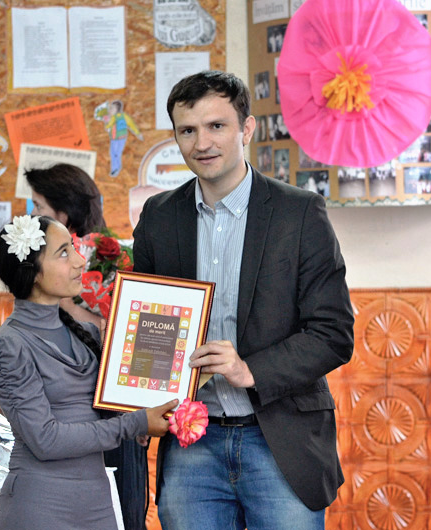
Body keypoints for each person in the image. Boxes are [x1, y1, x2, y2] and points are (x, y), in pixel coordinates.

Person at [132, 71, 354, 529]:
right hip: (192, 441)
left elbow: (334, 333)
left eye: (217, 126)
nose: (202, 143)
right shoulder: (159, 216)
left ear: (246, 129)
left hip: (281, 440)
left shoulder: (299, 213)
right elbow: (148, 325)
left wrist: (249, 370)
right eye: (187, 130)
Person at [0, 214, 176, 530]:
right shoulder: (10, 345)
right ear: (32, 272)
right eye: (64, 253)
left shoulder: (86, 333)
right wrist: (135, 422)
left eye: (74, 248)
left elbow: (99, 412)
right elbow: (46, 440)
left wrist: (135, 410)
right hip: (39, 507)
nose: (79, 260)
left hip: (96, 503)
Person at [26, 163, 150, 530]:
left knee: (120, 509)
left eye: (38, 206)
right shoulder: (36, 269)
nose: (32, 216)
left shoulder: (116, 262)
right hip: (60, 415)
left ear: (62, 215)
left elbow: (125, 336)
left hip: (112, 405)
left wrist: (68, 306)